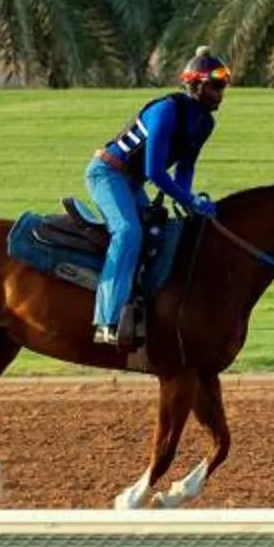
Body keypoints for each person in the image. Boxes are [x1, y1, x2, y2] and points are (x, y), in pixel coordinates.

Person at [86, 47, 230, 345]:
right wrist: (189, 201)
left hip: (131, 182)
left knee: (160, 236)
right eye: (215, 86)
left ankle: (143, 308)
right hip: (107, 173)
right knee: (127, 232)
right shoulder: (166, 111)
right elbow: (155, 171)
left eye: (223, 86)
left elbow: (185, 167)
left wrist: (189, 200)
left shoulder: (205, 123)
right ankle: (106, 321)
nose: (221, 93)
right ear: (195, 85)